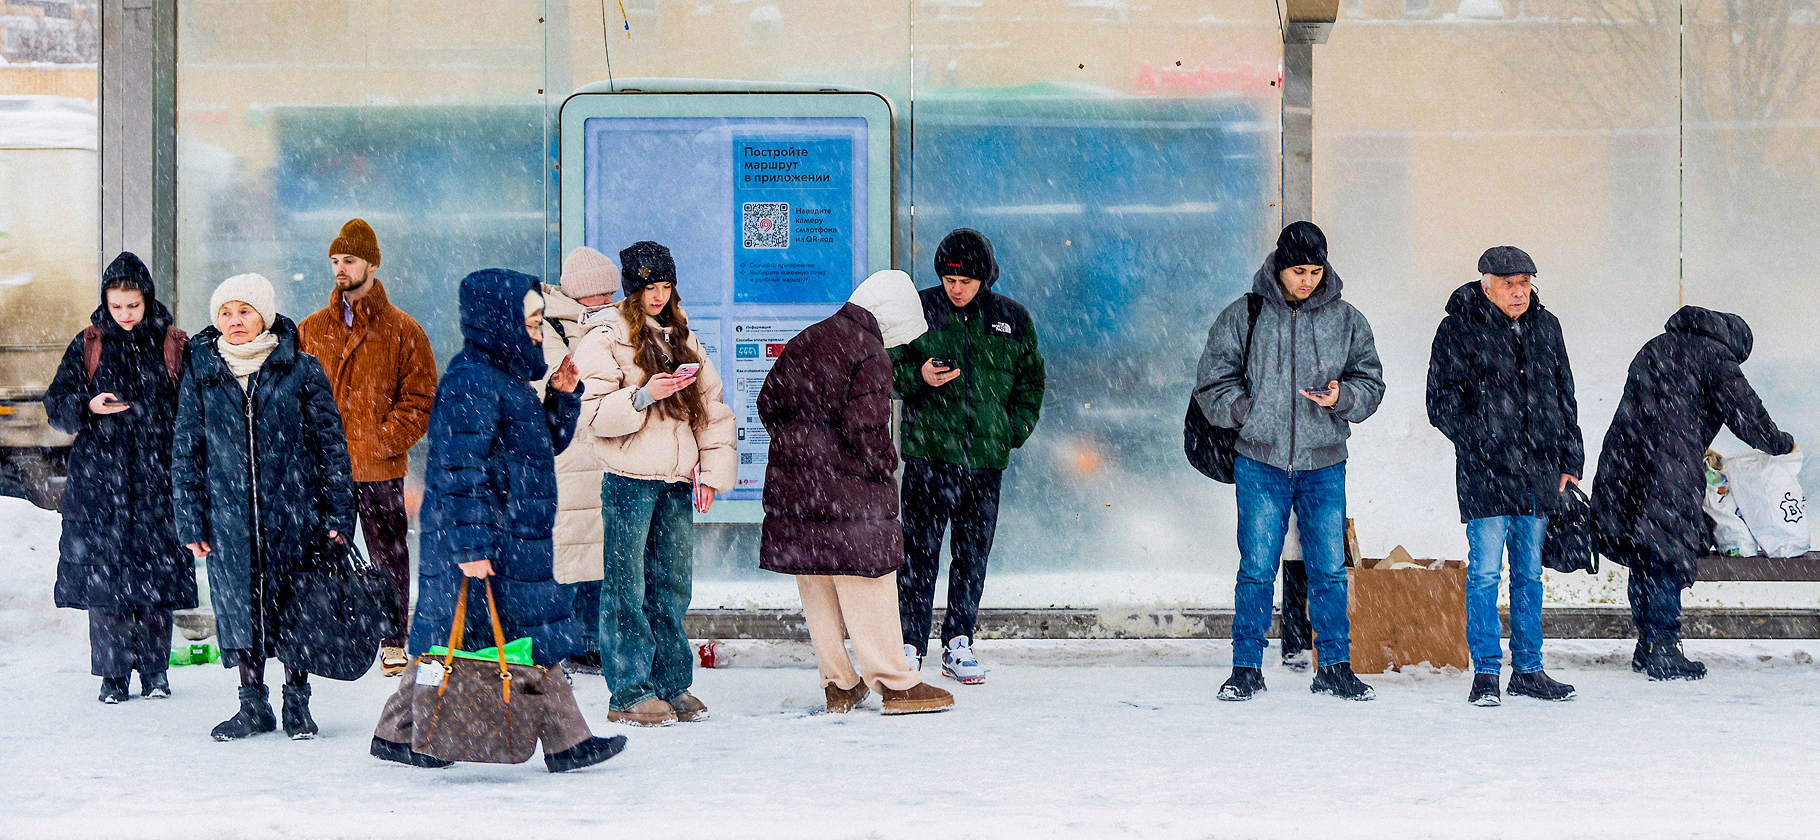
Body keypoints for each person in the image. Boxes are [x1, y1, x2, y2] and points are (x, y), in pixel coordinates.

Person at [371, 268, 626, 773]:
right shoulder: (472, 381)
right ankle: (566, 742)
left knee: (461, 638)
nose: (537, 331)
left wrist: (561, 396)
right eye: (531, 321)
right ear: (499, 320)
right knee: (510, 638)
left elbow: (535, 449)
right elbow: (460, 472)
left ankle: (396, 733)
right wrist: (470, 548)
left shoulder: (502, 377)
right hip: (487, 538)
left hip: (508, 535)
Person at [1195, 220, 1385, 702]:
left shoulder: (1347, 319)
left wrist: (1343, 397)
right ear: (1279, 267)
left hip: (1324, 463)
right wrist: (1248, 411)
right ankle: (1245, 668)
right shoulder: (1246, 314)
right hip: (1260, 461)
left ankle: (1335, 667)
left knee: (1329, 569)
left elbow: (1372, 382)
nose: (1308, 280)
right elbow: (1212, 383)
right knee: (1257, 567)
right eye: (1298, 270)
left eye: (1316, 271)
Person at [757, 270, 956, 715]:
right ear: (891, 316)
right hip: (849, 495)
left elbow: (767, 402)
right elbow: (865, 427)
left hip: (797, 492)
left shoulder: (808, 338)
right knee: (871, 584)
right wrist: (884, 464)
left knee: (819, 586)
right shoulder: (868, 351)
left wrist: (801, 448)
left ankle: (839, 684)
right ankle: (896, 683)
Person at [172, 273, 356, 740]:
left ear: (265, 317)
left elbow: (332, 447)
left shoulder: (301, 368)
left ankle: (297, 703)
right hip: (229, 520)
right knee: (239, 610)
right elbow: (186, 451)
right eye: (226, 313)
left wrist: (339, 515)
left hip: (295, 514)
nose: (235, 321)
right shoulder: (203, 372)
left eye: (245, 311)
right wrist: (190, 517)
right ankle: (252, 705)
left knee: (297, 609)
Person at [574, 241, 736, 726]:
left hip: (673, 481)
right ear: (632, 289)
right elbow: (591, 413)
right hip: (627, 480)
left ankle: (671, 682)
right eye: (649, 288)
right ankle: (628, 690)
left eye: (666, 286)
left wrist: (709, 472)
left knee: (671, 585)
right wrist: (643, 396)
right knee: (625, 587)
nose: (659, 296)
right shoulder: (604, 336)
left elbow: (711, 407)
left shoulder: (681, 334)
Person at [1591, 306, 1795, 681]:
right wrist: (1780, 443)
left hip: (1626, 458)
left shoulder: (1655, 346)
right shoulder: (1716, 356)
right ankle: (1665, 649)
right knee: (1667, 551)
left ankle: (1647, 644)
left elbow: (1652, 408)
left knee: (1644, 550)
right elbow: (1745, 412)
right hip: (1669, 465)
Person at [1426, 246, 1582, 706]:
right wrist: (1487, 441)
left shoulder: (1546, 327)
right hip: (1486, 474)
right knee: (1484, 575)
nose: (1519, 292)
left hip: (1539, 474)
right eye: (1509, 284)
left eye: (1525, 283)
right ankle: (1486, 675)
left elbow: (1564, 396)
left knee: (1530, 575)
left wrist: (1571, 460)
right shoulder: (1458, 329)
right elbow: (1441, 402)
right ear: (1486, 284)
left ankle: (1529, 670)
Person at [892, 228, 1046, 685]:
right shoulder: (918, 310)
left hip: (984, 464)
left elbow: (1031, 381)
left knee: (972, 555)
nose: (954, 288)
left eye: (963, 281)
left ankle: (958, 642)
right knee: (917, 555)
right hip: (927, 458)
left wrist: (1009, 433)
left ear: (984, 278)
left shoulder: (1011, 319)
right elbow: (884, 371)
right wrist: (918, 376)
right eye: (947, 279)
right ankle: (910, 644)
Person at [45, 252, 196, 704]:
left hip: (156, 478)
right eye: (117, 307)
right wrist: (87, 406)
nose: (126, 315)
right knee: (105, 585)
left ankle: (155, 672)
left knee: (156, 580)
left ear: (147, 300)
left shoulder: (173, 343)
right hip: (100, 484)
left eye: (133, 305)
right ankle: (112, 677)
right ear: (105, 303)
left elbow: (192, 407)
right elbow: (56, 403)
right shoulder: (88, 342)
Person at [297, 219, 438, 677]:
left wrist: (383, 440)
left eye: (350, 260)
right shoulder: (310, 329)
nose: (341, 268)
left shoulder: (404, 330)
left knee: (389, 555)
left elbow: (421, 399)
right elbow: (292, 393)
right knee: (322, 554)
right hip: (322, 468)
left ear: (373, 264)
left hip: (379, 467)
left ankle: (394, 637)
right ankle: (333, 632)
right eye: (336, 260)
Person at [540, 247, 617, 676]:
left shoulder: (607, 324)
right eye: (599, 294)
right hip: (568, 458)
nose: (607, 301)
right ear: (578, 294)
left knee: (599, 554)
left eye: (611, 292)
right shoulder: (548, 324)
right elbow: (561, 380)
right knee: (567, 555)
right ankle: (552, 647)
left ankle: (590, 642)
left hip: (602, 451)